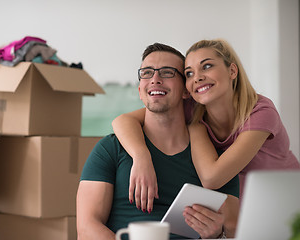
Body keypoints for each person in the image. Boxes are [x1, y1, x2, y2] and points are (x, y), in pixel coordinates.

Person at [111, 39, 300, 213]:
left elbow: (211, 178)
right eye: (189, 73)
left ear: (232, 71)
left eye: (207, 66)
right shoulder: (192, 108)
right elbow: (122, 121)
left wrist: (195, 128)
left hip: (285, 199)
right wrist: (141, 157)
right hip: (242, 205)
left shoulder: (260, 112)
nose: (198, 78)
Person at [76, 43, 240, 240]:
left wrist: (216, 235)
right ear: (140, 90)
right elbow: (87, 228)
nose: (155, 79)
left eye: (167, 72)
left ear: (186, 90)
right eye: (147, 73)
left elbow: (233, 231)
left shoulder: (217, 159)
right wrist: (141, 156)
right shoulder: (110, 149)